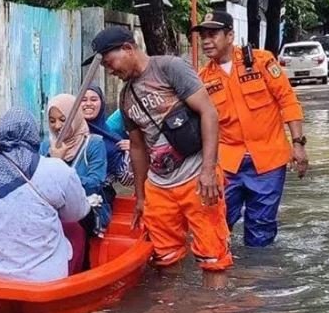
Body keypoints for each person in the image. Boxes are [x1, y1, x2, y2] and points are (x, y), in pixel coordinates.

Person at [87, 26, 233, 279]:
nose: (111, 71)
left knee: (213, 257)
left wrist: (209, 170)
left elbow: (209, 112)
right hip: (159, 185)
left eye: (110, 63)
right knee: (164, 259)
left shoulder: (170, 69)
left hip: (196, 176)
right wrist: (141, 197)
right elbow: (137, 146)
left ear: (128, 49)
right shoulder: (125, 97)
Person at [192, 10, 309, 247]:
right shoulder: (201, 79)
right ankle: (221, 278)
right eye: (203, 35)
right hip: (226, 165)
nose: (206, 40)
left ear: (230, 35)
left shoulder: (262, 62)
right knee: (217, 224)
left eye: (212, 34)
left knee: (261, 230)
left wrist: (298, 144)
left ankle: (259, 277)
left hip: (268, 161)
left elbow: (288, 101)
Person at [0, 108, 90, 281]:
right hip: (41, 279)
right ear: (33, 136)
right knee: (76, 230)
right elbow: (77, 213)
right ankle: (74, 286)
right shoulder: (57, 169)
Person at [41, 93, 112, 235]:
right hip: (54, 206)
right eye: (52, 121)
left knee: (72, 224)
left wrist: (58, 165)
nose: (57, 126)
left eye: (63, 120)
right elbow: (39, 182)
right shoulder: (46, 146)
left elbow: (95, 184)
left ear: (75, 118)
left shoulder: (93, 144)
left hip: (86, 208)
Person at [80, 85, 134, 186]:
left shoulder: (111, 138)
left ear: (102, 103)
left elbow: (126, 180)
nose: (88, 104)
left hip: (100, 196)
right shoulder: (67, 135)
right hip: (69, 194)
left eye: (94, 99)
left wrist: (134, 151)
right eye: (83, 100)